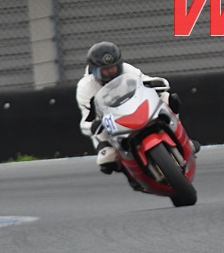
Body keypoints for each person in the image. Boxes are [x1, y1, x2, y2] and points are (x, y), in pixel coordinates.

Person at [76, 41, 185, 175]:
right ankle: (130, 170)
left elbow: (146, 81)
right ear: (94, 70)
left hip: (136, 109)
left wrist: (157, 84)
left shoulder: (127, 70)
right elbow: (85, 122)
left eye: (114, 67)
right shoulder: (85, 87)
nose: (111, 72)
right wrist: (93, 126)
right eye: (105, 70)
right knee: (106, 159)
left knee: (168, 98)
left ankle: (179, 134)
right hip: (111, 123)